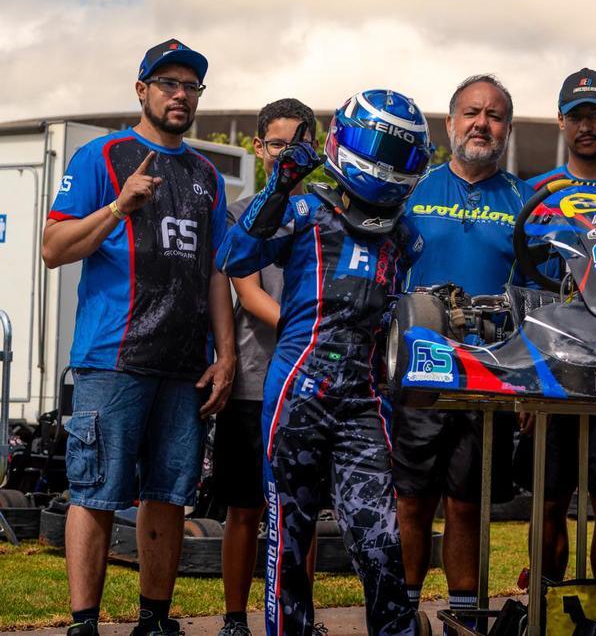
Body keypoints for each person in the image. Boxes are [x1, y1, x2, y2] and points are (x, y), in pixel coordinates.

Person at [217, 88, 433, 636]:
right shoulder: (303, 210)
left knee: (381, 543)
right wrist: (280, 184)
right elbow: (233, 257)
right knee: (289, 541)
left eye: (402, 152)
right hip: (297, 392)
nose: (390, 160)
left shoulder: (406, 236)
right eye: (381, 145)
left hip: (364, 399)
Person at [41, 39, 235, 636]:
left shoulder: (206, 175)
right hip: (113, 357)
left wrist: (225, 355)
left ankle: (154, 620)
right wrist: (119, 208)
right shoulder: (104, 156)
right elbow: (53, 249)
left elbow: (216, 270)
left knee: (168, 495)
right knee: (95, 492)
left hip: (184, 366)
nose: (180, 95)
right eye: (168, 83)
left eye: (191, 86)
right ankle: (84, 623)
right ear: (142, 90)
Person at [392, 75, 532, 627]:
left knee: (466, 504)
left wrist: (527, 382)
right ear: (449, 123)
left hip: (489, 378)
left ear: (508, 128)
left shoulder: (525, 201)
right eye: (471, 112)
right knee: (410, 500)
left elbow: (537, 298)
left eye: (494, 115)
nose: (482, 123)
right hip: (418, 374)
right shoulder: (412, 191)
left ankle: (466, 616)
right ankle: (401, 613)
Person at [515, 68, 596, 582]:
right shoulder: (535, 192)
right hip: (553, 362)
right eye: (576, 117)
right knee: (548, 501)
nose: (586, 126)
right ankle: (544, 606)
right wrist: (524, 373)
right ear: (560, 122)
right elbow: (517, 284)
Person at [213, 98, 319, 636]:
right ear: (259, 148)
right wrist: (315, 325)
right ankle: (235, 618)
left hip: (310, 383)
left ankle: (301, 616)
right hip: (256, 379)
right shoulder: (243, 212)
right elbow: (249, 293)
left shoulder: (326, 210)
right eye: (277, 144)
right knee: (244, 508)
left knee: (303, 511)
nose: (286, 155)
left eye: (297, 146)